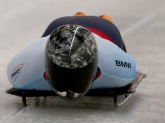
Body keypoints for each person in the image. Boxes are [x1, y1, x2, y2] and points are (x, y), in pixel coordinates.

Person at [7, 12, 136, 98]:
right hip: (75, 26)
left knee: (109, 26)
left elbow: (131, 67)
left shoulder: (113, 62)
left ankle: (99, 19)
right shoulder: (28, 68)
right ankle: (98, 18)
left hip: (102, 29)